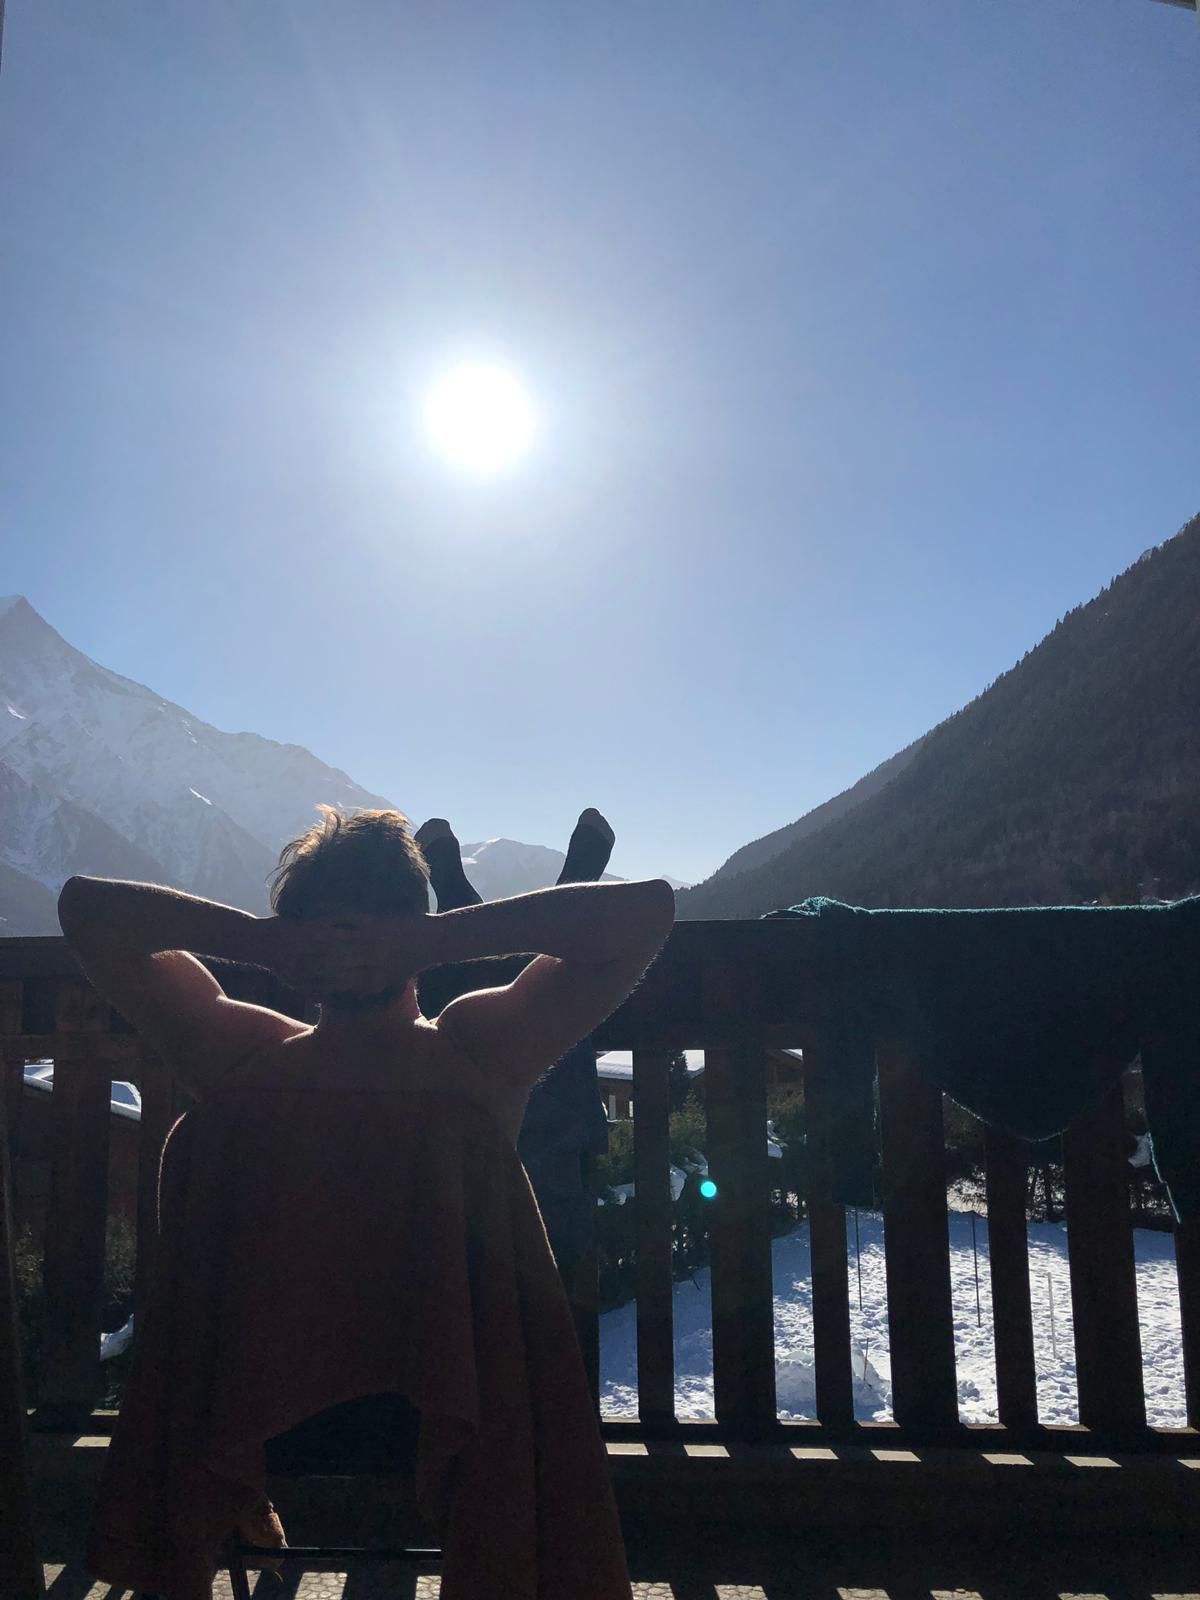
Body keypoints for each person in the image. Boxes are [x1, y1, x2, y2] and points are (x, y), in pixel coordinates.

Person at [59, 809, 674, 1600]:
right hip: (452, 1418)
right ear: (415, 929)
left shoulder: (239, 1059)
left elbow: (85, 910)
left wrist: (261, 943)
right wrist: (435, 940)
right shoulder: (477, 1055)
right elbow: (647, 912)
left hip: (256, 1419)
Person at [415, 809, 614, 1296]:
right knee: (554, 1023)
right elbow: (651, 909)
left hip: (465, 1178)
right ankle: (569, 900)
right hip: (544, 1191)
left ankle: (465, 902)